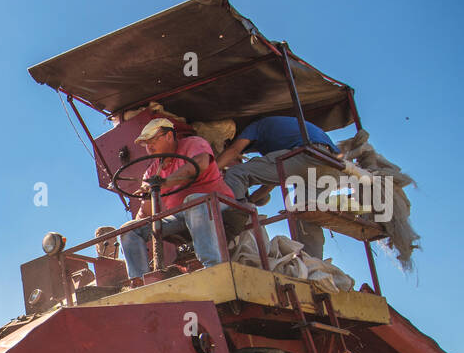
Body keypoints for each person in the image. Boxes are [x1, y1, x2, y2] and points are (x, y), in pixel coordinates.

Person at [118, 118, 239, 280]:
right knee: (129, 229)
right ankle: (140, 280)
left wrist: (164, 183)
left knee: (193, 200)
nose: (149, 146)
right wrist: (144, 203)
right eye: (146, 143)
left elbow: (200, 163)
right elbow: (146, 213)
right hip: (183, 215)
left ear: (169, 136)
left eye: (153, 139)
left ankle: (212, 266)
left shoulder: (193, 144)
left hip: (218, 206)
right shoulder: (152, 171)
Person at [215, 115, 341, 258]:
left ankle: (232, 223)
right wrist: (251, 200)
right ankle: (312, 264)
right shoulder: (278, 135)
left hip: (307, 154)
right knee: (305, 216)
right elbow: (273, 181)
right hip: (331, 164)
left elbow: (234, 150)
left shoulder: (255, 127)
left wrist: (208, 173)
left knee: (237, 173)